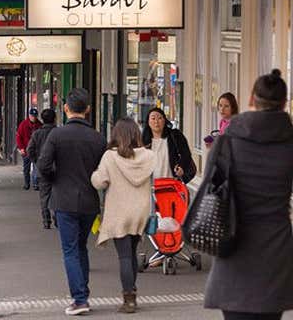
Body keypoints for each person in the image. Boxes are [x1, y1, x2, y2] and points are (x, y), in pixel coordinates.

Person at [204, 69, 293, 320]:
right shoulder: (289, 142)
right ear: (284, 103)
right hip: (276, 251)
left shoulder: (228, 140)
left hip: (233, 242)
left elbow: (210, 188)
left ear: (252, 99)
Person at [37, 88, 106, 316]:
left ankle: (79, 299)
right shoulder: (98, 138)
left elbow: (43, 166)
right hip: (89, 201)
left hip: (64, 200)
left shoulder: (57, 135)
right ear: (88, 109)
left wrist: (56, 179)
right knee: (80, 247)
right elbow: (103, 171)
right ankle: (83, 293)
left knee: (70, 250)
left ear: (66, 108)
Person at [91, 118, 155, 314]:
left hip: (119, 211)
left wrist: (94, 174)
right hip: (140, 210)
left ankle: (129, 298)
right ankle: (132, 290)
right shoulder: (149, 156)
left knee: (124, 256)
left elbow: (100, 182)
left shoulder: (110, 157)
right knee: (132, 251)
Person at [141, 108, 196, 184]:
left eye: (160, 118)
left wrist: (181, 167)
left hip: (172, 185)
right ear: (148, 122)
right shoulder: (143, 141)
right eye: (153, 118)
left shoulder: (175, 136)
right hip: (150, 187)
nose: (156, 122)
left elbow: (186, 154)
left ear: (164, 120)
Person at [28, 108, 58, 229]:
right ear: (54, 119)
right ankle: (57, 218)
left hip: (43, 169)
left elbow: (30, 150)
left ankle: (46, 220)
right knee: (58, 194)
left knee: (44, 196)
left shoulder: (37, 133)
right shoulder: (58, 133)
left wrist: (37, 161)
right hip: (58, 168)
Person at [16, 108, 42, 190]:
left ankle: (35, 184)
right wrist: (21, 148)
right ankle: (26, 183)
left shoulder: (39, 125)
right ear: (29, 116)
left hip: (36, 151)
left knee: (36, 168)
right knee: (26, 168)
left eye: (35, 116)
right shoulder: (23, 124)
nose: (33, 117)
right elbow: (19, 137)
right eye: (32, 116)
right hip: (26, 150)